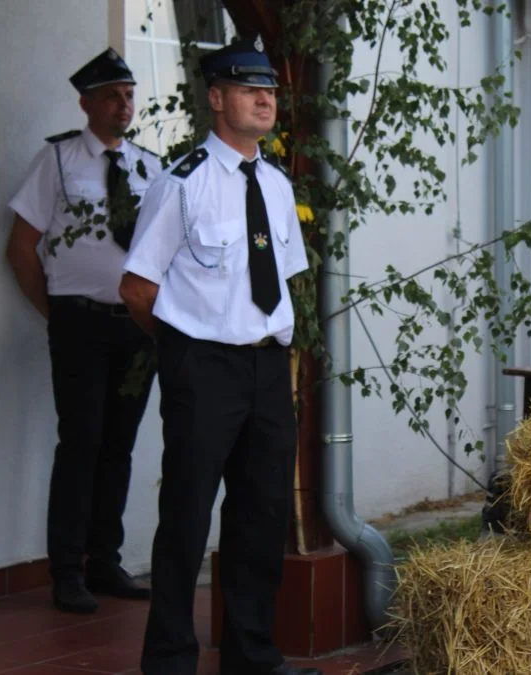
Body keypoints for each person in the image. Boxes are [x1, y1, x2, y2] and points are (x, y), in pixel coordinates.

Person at [119, 39, 320, 675]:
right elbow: (138, 288)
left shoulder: (279, 186)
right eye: (247, 88)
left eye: (270, 90)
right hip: (202, 367)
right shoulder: (181, 185)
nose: (265, 99)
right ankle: (171, 659)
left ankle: (251, 655)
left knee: (260, 518)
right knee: (186, 514)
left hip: (265, 369)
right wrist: (186, 346)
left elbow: (282, 281)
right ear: (216, 98)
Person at [6, 47, 160, 614]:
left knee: (118, 445)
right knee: (82, 443)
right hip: (79, 325)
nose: (124, 105)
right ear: (86, 103)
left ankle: (104, 561)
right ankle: (66, 571)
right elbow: (22, 247)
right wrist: (57, 313)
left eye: (128, 95)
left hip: (138, 329)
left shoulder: (150, 166)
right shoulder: (60, 161)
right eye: (112, 96)